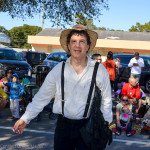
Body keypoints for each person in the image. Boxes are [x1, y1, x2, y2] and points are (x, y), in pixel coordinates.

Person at [13, 24, 112, 150]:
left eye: (82, 41)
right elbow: (42, 97)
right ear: (69, 46)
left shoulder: (99, 70)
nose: (77, 45)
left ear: (88, 46)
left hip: (90, 125)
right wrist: (25, 118)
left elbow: (107, 101)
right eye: (74, 41)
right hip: (63, 127)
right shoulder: (58, 70)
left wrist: (106, 126)